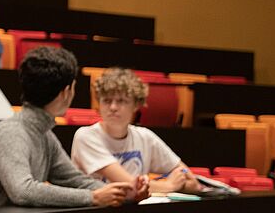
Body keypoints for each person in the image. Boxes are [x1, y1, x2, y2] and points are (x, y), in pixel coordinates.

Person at [0, 47, 147, 208]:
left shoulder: (44, 135)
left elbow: (75, 180)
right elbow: (23, 191)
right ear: (66, 92)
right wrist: (92, 198)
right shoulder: (9, 133)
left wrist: (123, 194)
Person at [71, 68, 202, 193]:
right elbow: (129, 185)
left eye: (121, 101)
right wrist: (169, 185)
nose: (113, 107)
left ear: (136, 105)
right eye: (106, 100)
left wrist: (180, 181)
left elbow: (190, 179)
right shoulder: (86, 136)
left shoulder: (145, 137)